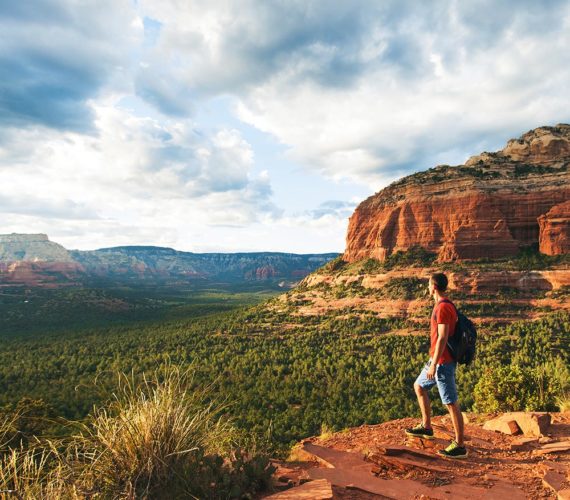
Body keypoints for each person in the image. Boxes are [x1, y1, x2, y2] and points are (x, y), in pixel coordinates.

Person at [405, 272, 467, 459]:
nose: (427, 287)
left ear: (433, 286)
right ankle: (426, 426)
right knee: (419, 386)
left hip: (442, 362)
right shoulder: (444, 304)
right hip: (436, 360)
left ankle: (459, 445)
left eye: (428, 284)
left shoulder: (442, 308)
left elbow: (442, 337)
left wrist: (434, 365)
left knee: (450, 402)